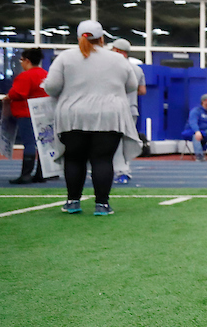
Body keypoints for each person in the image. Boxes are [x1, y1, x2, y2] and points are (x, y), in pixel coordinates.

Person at [42, 20, 139, 216]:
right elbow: (132, 85)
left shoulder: (65, 57)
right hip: (109, 115)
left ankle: (72, 201)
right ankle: (102, 204)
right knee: (103, 160)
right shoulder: (118, 59)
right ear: (102, 38)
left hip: (73, 115)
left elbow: (51, 86)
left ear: (79, 37)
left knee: (74, 158)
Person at [5, 47, 49, 185]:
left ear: (27, 61)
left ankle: (26, 175)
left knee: (29, 143)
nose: (21, 63)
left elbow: (18, 93)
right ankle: (41, 174)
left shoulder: (25, 76)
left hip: (27, 113)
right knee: (43, 144)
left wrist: (8, 96)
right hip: (43, 114)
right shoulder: (45, 74)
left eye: (22, 60)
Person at [110, 38, 146, 185]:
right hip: (131, 109)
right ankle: (124, 171)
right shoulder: (137, 69)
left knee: (111, 142)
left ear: (118, 51)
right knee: (126, 141)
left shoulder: (111, 68)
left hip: (113, 109)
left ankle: (118, 171)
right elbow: (142, 91)